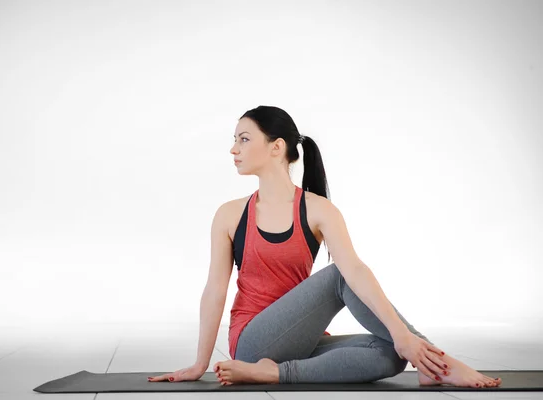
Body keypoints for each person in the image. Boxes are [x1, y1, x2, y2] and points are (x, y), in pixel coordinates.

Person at [148, 105, 501, 388]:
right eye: (235, 140)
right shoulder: (230, 215)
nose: (233, 148)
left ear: (276, 147)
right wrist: (199, 363)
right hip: (253, 342)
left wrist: (401, 340)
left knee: (392, 354)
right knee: (340, 277)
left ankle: (279, 373)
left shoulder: (317, 210)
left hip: (300, 341)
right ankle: (438, 361)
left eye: (243, 139)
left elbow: (357, 271)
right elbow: (214, 290)